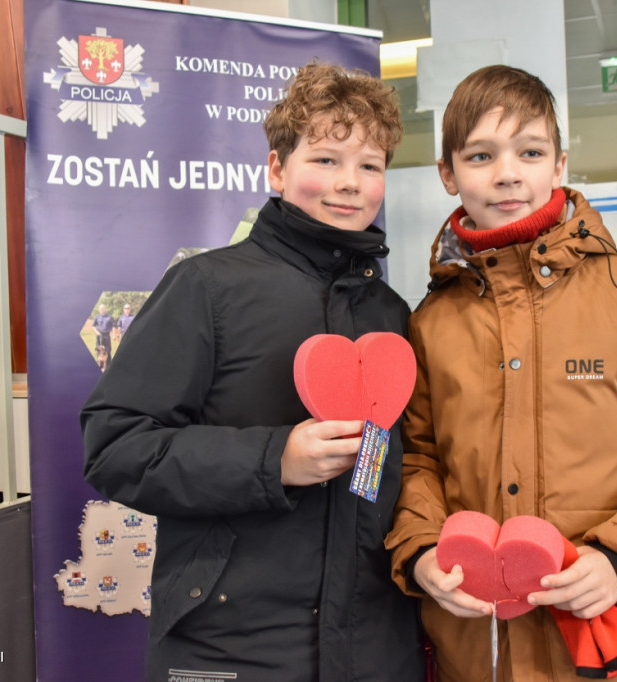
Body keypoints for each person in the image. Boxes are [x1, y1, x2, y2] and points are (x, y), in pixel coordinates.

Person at [383, 64, 617, 682]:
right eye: (480, 155)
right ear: (448, 173)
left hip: (605, 641)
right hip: (476, 647)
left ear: (559, 164)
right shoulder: (431, 321)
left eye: (530, 151)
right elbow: (417, 462)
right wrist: (418, 552)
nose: (507, 174)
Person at [81, 61, 426, 680]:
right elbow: (116, 446)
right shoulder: (206, 287)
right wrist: (276, 461)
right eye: (325, 159)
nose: (350, 183)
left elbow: (392, 467)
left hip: (373, 645)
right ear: (277, 168)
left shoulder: (390, 312)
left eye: (369, 166)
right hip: (230, 645)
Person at [91, 303, 114, 370]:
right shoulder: (97, 317)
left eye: (103, 308)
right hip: (99, 335)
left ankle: (109, 365)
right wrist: (96, 332)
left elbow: (113, 326)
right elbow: (93, 326)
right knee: (98, 349)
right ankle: (100, 365)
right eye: (101, 308)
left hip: (106, 335)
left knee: (108, 349)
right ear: (99, 309)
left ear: (105, 309)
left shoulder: (109, 317)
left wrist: (113, 335)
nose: (102, 310)